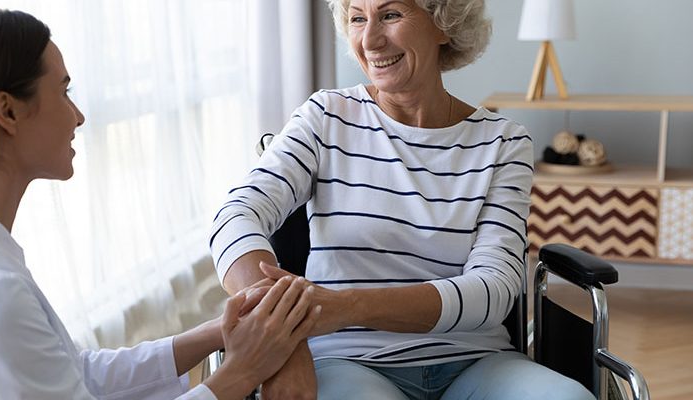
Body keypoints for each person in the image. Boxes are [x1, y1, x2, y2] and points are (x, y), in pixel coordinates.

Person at [0, 8, 321, 400]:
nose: (78, 115)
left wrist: (216, 334)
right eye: (63, 91)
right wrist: (237, 374)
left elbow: (72, 375)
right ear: (8, 112)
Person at [209, 0, 594, 399]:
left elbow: (494, 289)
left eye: (391, 15)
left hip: (475, 359)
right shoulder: (325, 117)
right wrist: (283, 343)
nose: (370, 40)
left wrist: (346, 306)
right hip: (348, 359)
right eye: (358, 18)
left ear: (445, 25)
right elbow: (235, 217)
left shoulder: (503, 142)